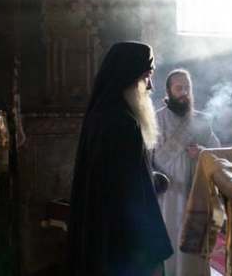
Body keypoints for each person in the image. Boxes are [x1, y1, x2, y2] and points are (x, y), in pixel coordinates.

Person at [68, 42, 172, 276]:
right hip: (122, 238)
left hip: (105, 230)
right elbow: (127, 190)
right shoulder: (123, 123)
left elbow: (117, 174)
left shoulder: (102, 114)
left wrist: (150, 177)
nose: (151, 85)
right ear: (129, 76)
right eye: (146, 77)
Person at [153, 69, 220, 276]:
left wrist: (201, 152)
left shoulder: (202, 120)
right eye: (178, 88)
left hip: (195, 192)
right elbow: (147, 156)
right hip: (168, 193)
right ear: (169, 91)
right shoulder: (157, 119)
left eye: (187, 88)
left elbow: (217, 151)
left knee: (193, 240)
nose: (184, 92)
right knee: (170, 235)